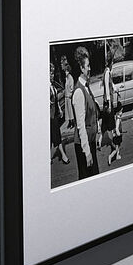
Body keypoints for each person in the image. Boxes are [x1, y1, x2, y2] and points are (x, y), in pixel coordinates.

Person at [71, 45, 100, 180]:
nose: (90, 68)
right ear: (81, 68)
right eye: (87, 66)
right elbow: (81, 125)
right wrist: (87, 152)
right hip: (84, 146)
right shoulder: (78, 92)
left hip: (90, 142)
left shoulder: (86, 87)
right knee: (87, 179)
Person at [49, 63, 69, 165]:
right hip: (50, 117)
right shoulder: (45, 87)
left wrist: (60, 110)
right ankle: (63, 155)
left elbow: (56, 100)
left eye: (52, 73)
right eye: (50, 73)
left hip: (55, 114)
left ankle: (48, 157)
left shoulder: (52, 86)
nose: (52, 75)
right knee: (57, 136)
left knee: (52, 136)